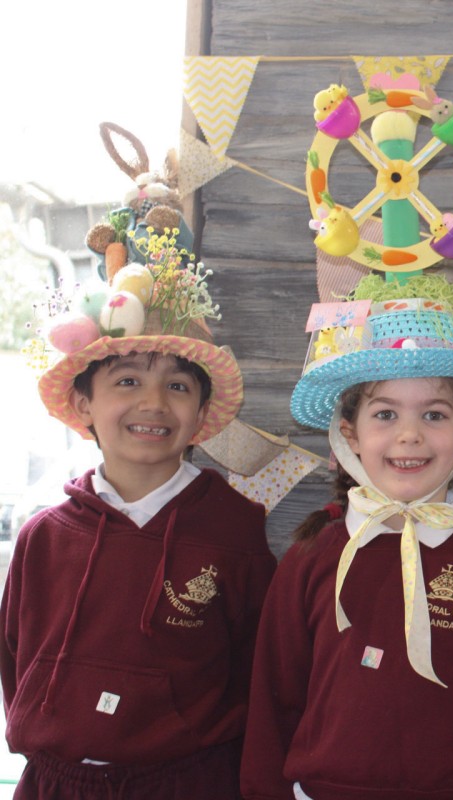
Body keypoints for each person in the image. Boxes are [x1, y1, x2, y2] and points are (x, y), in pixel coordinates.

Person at [241, 276, 453, 800]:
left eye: (434, 414)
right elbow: (273, 703)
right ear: (350, 434)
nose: (410, 435)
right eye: (385, 414)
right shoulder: (310, 559)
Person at [1, 247, 276, 798]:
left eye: (177, 386)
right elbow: (15, 661)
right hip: (56, 782)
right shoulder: (43, 536)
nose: (153, 403)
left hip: (189, 780)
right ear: (83, 404)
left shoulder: (235, 533)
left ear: (201, 416)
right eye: (127, 381)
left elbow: (261, 671)